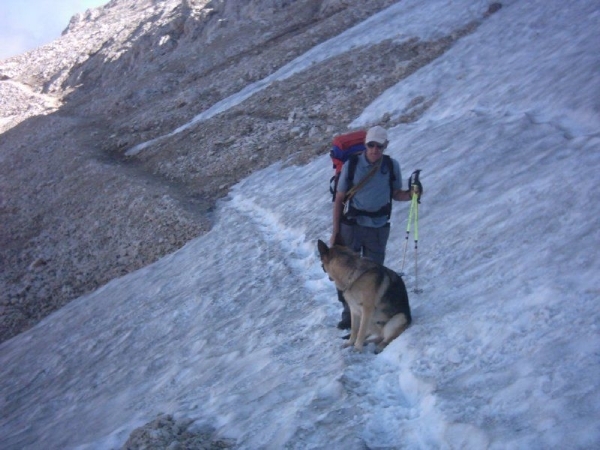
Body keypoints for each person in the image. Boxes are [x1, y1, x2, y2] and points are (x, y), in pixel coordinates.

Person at [330, 125, 419, 329]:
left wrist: (412, 195)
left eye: (379, 146)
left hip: (378, 227)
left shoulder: (391, 166)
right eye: (371, 145)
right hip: (352, 226)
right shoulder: (352, 165)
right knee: (345, 273)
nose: (374, 150)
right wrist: (336, 232)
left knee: (372, 274)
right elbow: (339, 198)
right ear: (365, 144)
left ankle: (369, 317)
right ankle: (348, 315)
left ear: (385, 146)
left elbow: (396, 193)